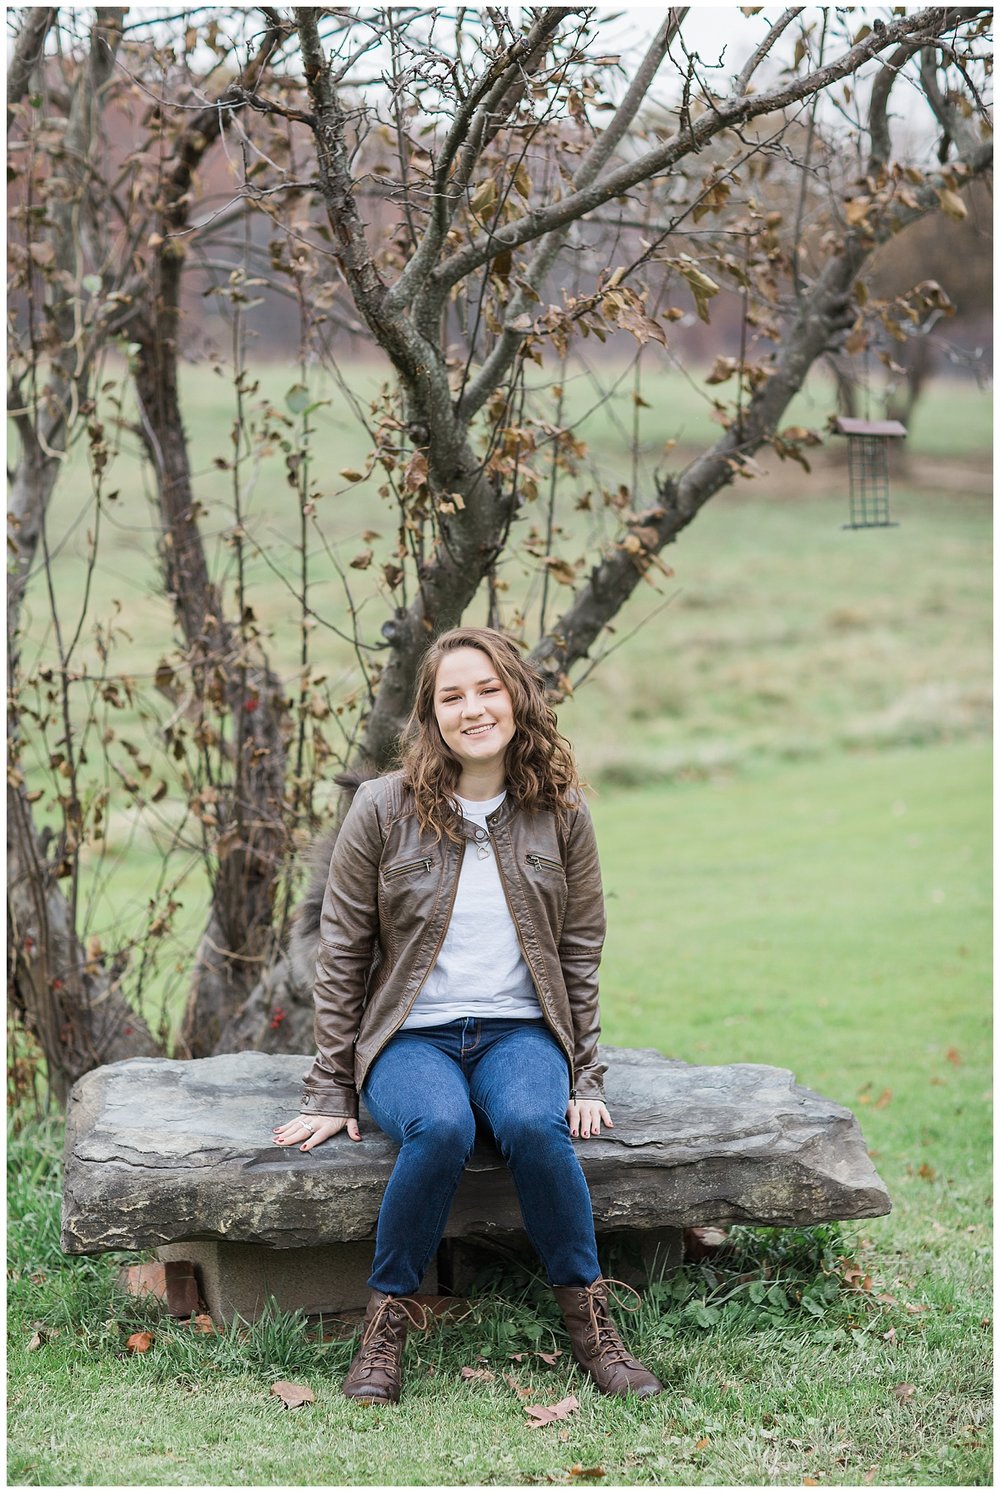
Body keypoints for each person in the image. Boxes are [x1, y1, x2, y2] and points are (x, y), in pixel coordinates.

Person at [274, 626, 662, 1405]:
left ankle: (592, 1325)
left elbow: (579, 951)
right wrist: (329, 1089)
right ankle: (385, 1328)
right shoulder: (383, 808)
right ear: (431, 715)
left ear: (517, 696)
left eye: (487, 688)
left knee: (532, 1122)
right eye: (452, 695)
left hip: (520, 1031)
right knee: (441, 1127)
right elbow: (342, 950)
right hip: (408, 1037)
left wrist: (585, 1073)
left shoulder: (561, 810)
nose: (473, 707)